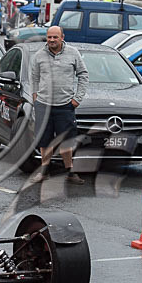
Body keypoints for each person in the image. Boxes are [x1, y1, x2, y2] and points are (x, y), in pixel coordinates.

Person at [29, 26, 89, 184]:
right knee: (44, 140)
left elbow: (83, 75)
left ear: (62, 37)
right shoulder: (39, 56)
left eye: (55, 37)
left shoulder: (73, 53)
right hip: (43, 104)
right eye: (49, 37)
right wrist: (35, 97)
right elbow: (34, 78)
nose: (52, 40)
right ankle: (44, 171)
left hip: (65, 105)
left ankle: (70, 171)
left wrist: (77, 98)